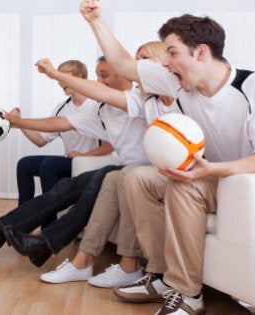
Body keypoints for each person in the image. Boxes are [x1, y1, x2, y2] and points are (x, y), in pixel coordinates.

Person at [79, 1, 255, 314]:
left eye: (172, 52)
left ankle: (188, 295)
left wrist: (207, 170)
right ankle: (162, 275)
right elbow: (125, 65)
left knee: (185, 184)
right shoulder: (179, 83)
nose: (165, 63)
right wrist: (96, 21)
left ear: (201, 52)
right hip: (220, 179)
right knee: (139, 178)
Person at [0, 57, 148, 267]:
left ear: (125, 75)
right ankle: (4, 230)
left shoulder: (137, 100)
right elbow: (61, 123)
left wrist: (85, 156)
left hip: (126, 167)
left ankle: (41, 240)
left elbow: (109, 140)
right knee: (62, 183)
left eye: (103, 75)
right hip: (118, 167)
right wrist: (18, 123)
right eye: (97, 75)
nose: (97, 81)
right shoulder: (102, 110)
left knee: (83, 179)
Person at [34, 41, 180, 288]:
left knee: (121, 176)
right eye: (137, 60)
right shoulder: (144, 101)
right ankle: (84, 262)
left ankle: (128, 265)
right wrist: (17, 123)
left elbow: (101, 94)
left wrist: (56, 74)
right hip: (144, 170)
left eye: (145, 60)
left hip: (161, 172)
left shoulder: (175, 95)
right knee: (114, 177)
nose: (139, 66)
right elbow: (90, 104)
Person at [15, 60, 111, 217]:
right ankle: (20, 220)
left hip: (92, 161)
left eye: (62, 76)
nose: (58, 81)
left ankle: (49, 225)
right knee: (24, 164)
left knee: (49, 165)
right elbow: (40, 140)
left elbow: (111, 144)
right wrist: (19, 123)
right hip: (70, 162)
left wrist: (84, 156)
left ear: (78, 77)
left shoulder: (97, 104)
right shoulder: (62, 108)